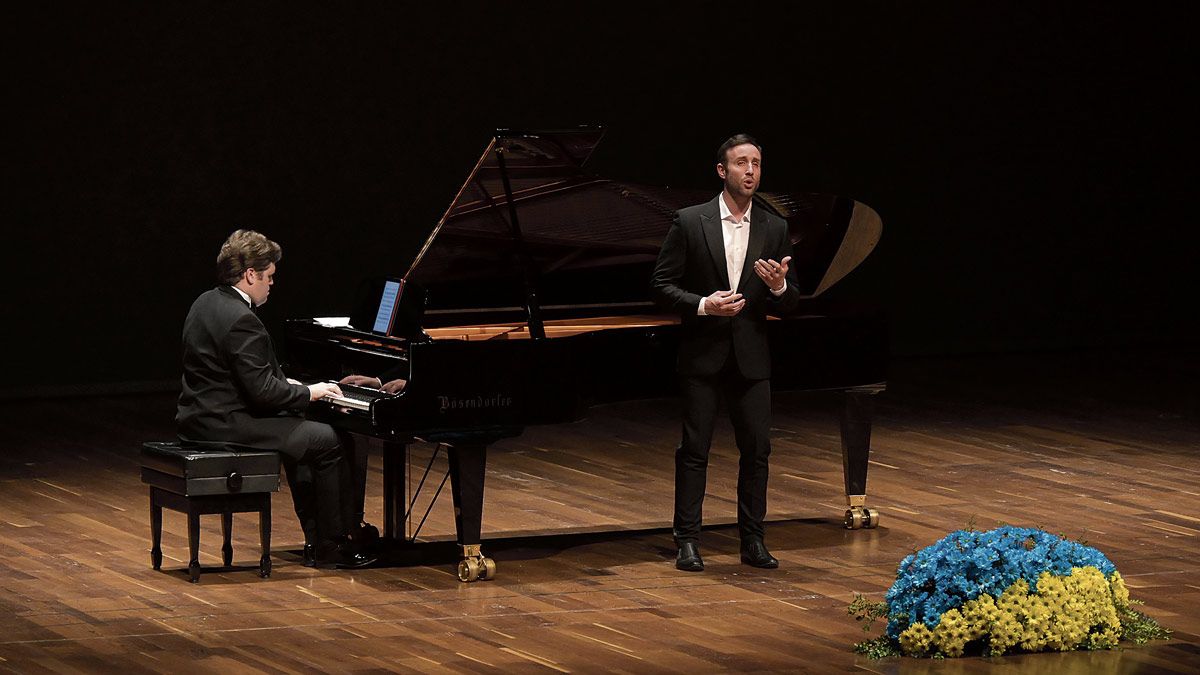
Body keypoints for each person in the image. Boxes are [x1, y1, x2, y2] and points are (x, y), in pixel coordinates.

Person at [176, 229, 376, 569]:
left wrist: (295, 386)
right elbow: (263, 393)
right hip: (227, 424)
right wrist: (310, 391)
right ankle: (333, 545)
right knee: (328, 439)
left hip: (200, 416)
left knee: (305, 436)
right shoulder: (242, 319)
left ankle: (320, 539)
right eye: (268, 276)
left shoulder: (206, 301)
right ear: (250, 274)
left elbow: (242, 375)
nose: (272, 283)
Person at [650, 134, 801, 571]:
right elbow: (660, 285)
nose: (751, 171)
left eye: (756, 163)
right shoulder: (689, 221)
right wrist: (703, 305)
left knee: (757, 450)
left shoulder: (775, 227)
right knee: (695, 449)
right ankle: (688, 541)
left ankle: (753, 540)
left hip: (752, 358)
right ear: (723, 171)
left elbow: (792, 300)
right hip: (703, 353)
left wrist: (778, 287)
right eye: (741, 163)